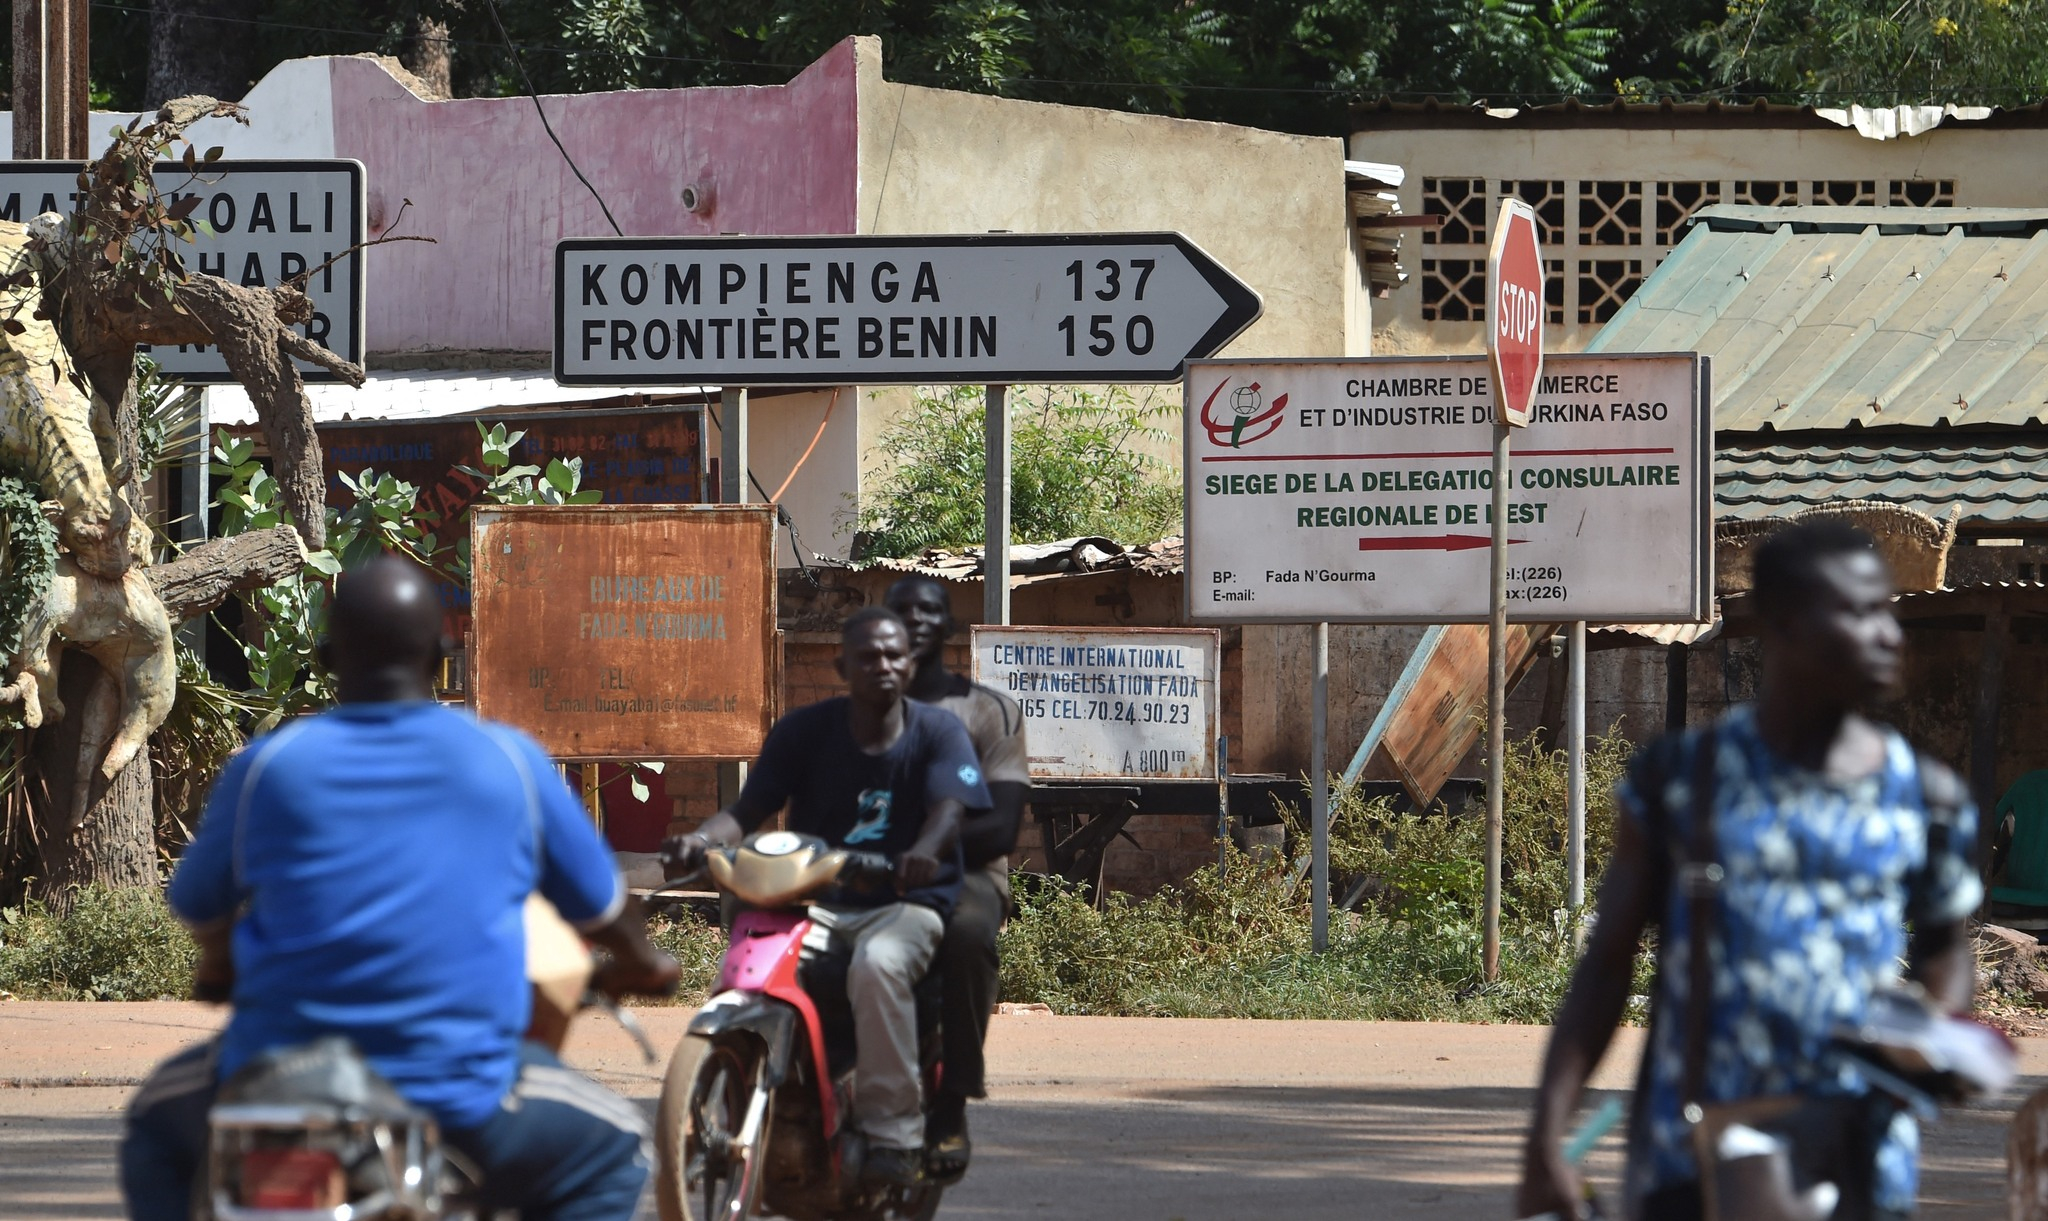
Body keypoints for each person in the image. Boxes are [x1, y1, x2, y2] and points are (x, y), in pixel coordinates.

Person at [122, 555, 681, 1221]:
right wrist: (646, 963)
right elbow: (602, 907)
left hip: (275, 1081)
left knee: (156, 1128)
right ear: (443, 656)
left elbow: (198, 903)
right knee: (613, 1147)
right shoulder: (509, 761)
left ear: (328, 658)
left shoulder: (266, 766)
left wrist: (219, 964)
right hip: (460, 1095)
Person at [1516, 521, 1980, 1221]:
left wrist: (1937, 1034)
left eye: (1888, 608)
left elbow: (1947, 950)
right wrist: (1545, 1134)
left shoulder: (1927, 798)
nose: (1889, 632)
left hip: (1860, 1157)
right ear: (1784, 624)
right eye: (1859, 611)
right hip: (1694, 1161)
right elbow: (1606, 967)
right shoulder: (1682, 783)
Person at [664, 606, 988, 1186]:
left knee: (878, 965)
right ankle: (748, 1079)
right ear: (842, 666)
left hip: (901, 902)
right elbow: (745, 812)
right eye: (868, 656)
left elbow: (948, 812)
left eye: (894, 655)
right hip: (809, 903)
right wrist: (698, 840)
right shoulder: (803, 732)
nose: (882, 666)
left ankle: (894, 1134)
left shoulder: (939, 733)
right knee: (753, 965)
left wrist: (922, 853)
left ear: (911, 665)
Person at [883, 575, 1030, 1180]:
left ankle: (951, 1103)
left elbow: (999, 830)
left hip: (965, 871)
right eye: (902, 610)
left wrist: (915, 853)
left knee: (968, 935)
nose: (916, 619)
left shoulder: (987, 711)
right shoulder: (857, 712)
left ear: (948, 626)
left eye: (929, 610)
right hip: (870, 868)